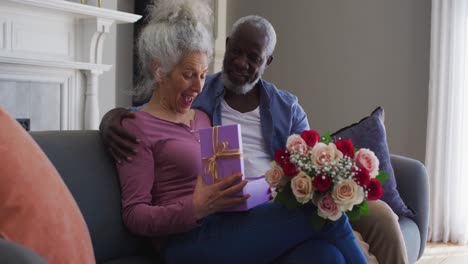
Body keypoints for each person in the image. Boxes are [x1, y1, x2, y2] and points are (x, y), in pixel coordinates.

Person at [101, 3, 400, 263]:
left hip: (235, 222)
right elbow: (134, 214)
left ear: (267, 62)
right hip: (185, 241)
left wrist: (251, 190)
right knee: (318, 211)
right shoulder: (136, 126)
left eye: (203, 76)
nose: (198, 86)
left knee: (326, 256)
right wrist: (195, 208)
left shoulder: (203, 116)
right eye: (189, 75)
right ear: (159, 71)